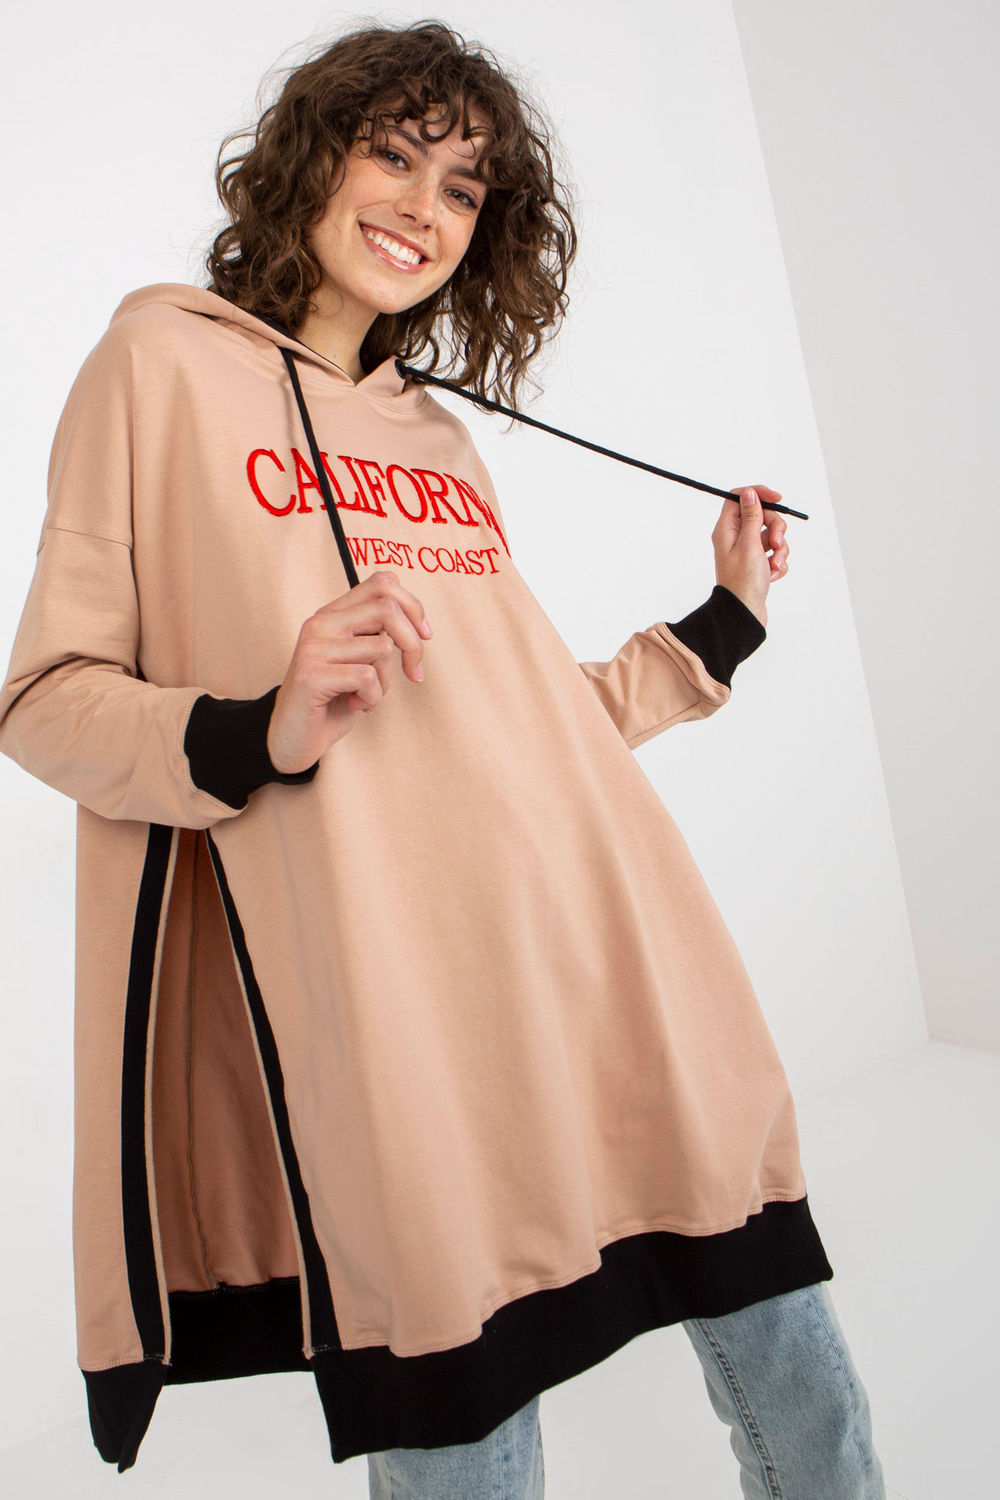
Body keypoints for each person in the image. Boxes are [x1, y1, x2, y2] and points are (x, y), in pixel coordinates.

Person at [0, 17, 886, 1498]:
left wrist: (723, 622)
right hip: (401, 1018)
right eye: (396, 157)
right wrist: (263, 724)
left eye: (463, 188)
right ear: (311, 159)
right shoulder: (156, 368)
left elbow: (522, 723)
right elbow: (45, 701)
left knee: (804, 1376)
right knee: (460, 1419)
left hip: (610, 956)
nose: (425, 207)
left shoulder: (435, 433)